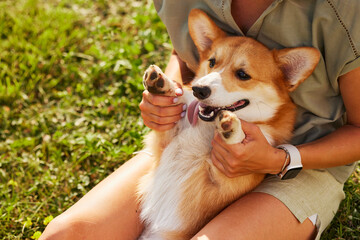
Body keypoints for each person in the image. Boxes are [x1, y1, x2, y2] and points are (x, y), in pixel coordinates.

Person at [40, 0, 360, 239]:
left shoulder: (344, 11)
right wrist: (169, 92)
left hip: (306, 161)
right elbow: (189, 54)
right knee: (65, 235)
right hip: (193, 135)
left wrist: (281, 158)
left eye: (243, 74)